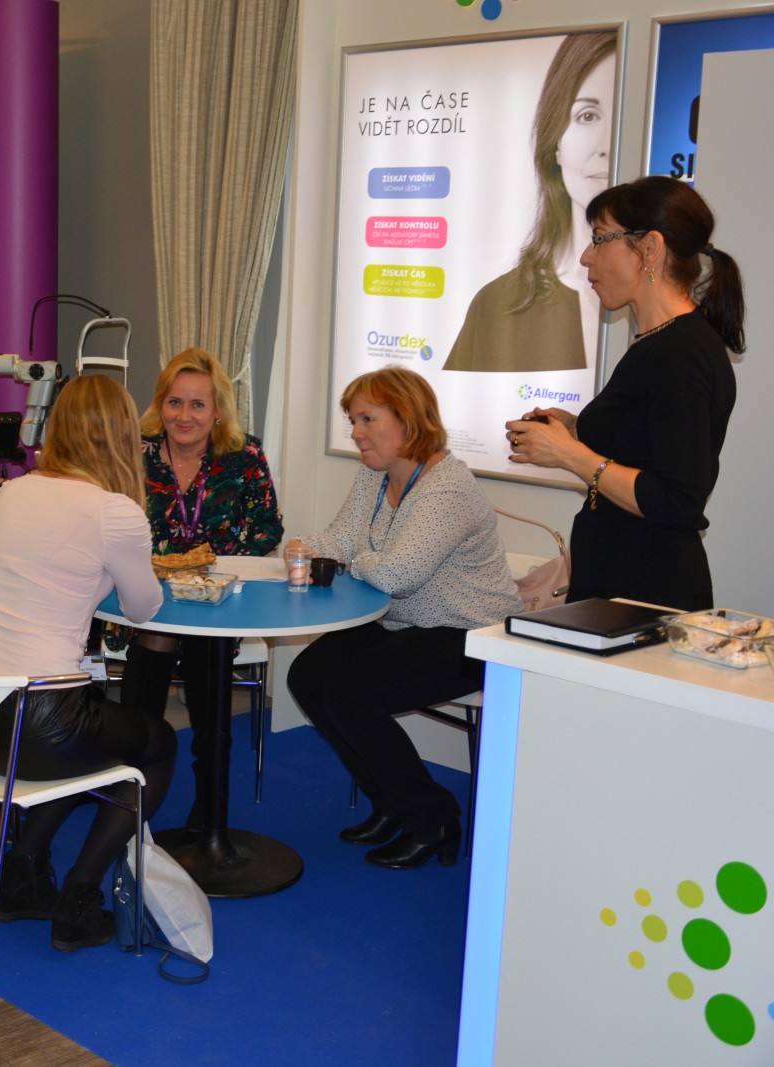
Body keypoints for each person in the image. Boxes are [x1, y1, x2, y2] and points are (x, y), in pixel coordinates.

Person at [0, 375, 176, 950]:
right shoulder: (114, 511)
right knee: (156, 745)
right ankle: (80, 898)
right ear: (122, 435)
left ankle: (23, 878)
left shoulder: (13, 491)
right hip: (40, 723)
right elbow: (144, 608)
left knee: (89, 735)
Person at [285, 367, 521, 869]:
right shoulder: (374, 475)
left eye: (367, 419)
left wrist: (349, 559)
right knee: (307, 676)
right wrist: (304, 545)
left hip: (473, 634)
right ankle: (390, 802)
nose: (356, 432)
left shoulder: (447, 489)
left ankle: (432, 818)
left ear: (408, 419)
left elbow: (399, 574)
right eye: (353, 420)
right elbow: (340, 539)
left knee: (350, 693)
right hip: (405, 623)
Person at [506, 176, 743, 610]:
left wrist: (570, 455)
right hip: (619, 586)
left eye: (600, 239)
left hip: (646, 596)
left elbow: (678, 500)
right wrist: (576, 429)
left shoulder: (680, 352)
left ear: (649, 248)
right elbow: (648, 449)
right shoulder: (660, 342)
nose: (586, 255)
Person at [116, 348, 282, 829]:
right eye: (174, 402)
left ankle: (209, 803)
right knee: (155, 635)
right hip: (152, 595)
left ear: (217, 410)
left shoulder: (244, 455)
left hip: (217, 599)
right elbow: (113, 523)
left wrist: (212, 569)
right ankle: (131, 784)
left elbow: (267, 529)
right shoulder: (137, 453)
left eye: (197, 404)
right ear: (160, 405)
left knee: (208, 648)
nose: (184, 416)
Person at [445, 31, 618, 373]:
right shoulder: (497, 305)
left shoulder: (660, 314)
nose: (606, 146)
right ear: (555, 143)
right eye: (587, 116)